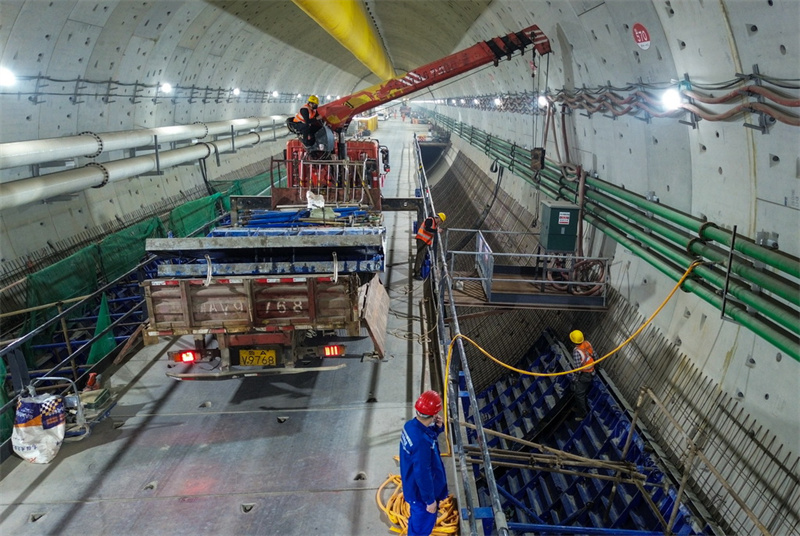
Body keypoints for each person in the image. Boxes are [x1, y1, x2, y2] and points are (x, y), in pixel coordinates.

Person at [399, 390, 449, 536]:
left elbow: (425, 436)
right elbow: (422, 473)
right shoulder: (421, 442)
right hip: (421, 495)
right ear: (434, 414)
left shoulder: (410, 426)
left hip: (413, 488)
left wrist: (438, 428)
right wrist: (429, 501)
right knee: (420, 529)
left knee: (417, 523)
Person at [569, 329, 596, 421]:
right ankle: (580, 408)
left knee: (579, 394)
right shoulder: (587, 343)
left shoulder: (577, 352)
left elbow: (577, 368)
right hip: (591, 371)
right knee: (581, 391)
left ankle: (583, 414)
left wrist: (575, 379)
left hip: (585, 375)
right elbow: (595, 355)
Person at [413, 212, 446, 280]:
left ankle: (417, 271)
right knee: (420, 257)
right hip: (421, 240)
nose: (440, 223)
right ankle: (417, 273)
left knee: (421, 257)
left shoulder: (434, 223)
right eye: (441, 221)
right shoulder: (430, 220)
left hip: (425, 241)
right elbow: (427, 228)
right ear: (439, 219)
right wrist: (436, 230)